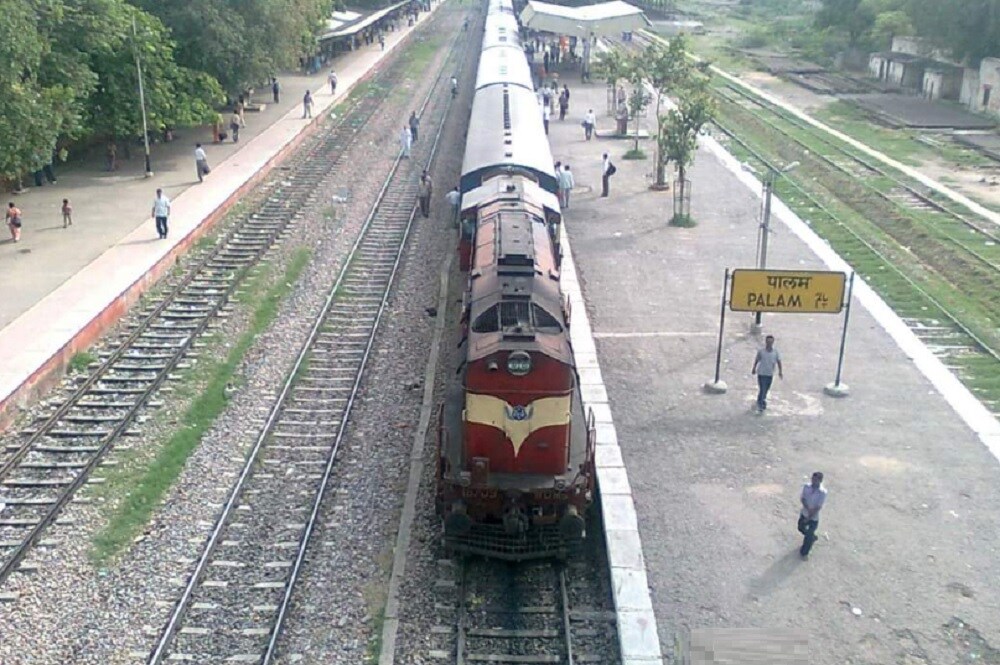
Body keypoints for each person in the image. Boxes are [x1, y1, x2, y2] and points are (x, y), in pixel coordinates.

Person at [798, 472, 827, 558]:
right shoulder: (807, 487)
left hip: (813, 517)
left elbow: (818, 507)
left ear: (820, 481)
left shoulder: (822, 492)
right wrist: (807, 508)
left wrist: (809, 516)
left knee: (808, 535)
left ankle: (804, 552)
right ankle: (812, 537)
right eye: (812, 479)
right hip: (804, 513)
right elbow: (803, 498)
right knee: (800, 528)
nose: (813, 481)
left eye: (815, 480)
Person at [751, 334, 783, 412]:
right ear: (766, 342)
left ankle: (760, 400)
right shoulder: (761, 351)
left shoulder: (775, 352)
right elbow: (757, 360)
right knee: (763, 389)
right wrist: (754, 368)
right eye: (768, 342)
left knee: (766, 389)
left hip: (770, 374)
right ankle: (761, 404)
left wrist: (780, 372)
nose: (769, 343)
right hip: (761, 374)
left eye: (770, 342)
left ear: (773, 342)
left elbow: (779, 362)